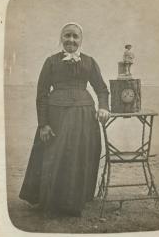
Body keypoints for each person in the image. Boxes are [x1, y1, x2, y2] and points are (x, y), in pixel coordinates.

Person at [19, 22, 110, 217]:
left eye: (75, 36)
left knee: (78, 156)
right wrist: (43, 124)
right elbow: (42, 94)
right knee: (54, 156)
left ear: (81, 40)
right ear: (61, 38)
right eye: (67, 36)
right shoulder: (51, 62)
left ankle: (73, 202)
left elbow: (101, 89)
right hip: (56, 116)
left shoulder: (89, 62)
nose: (71, 40)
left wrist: (103, 106)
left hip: (84, 117)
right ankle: (51, 203)